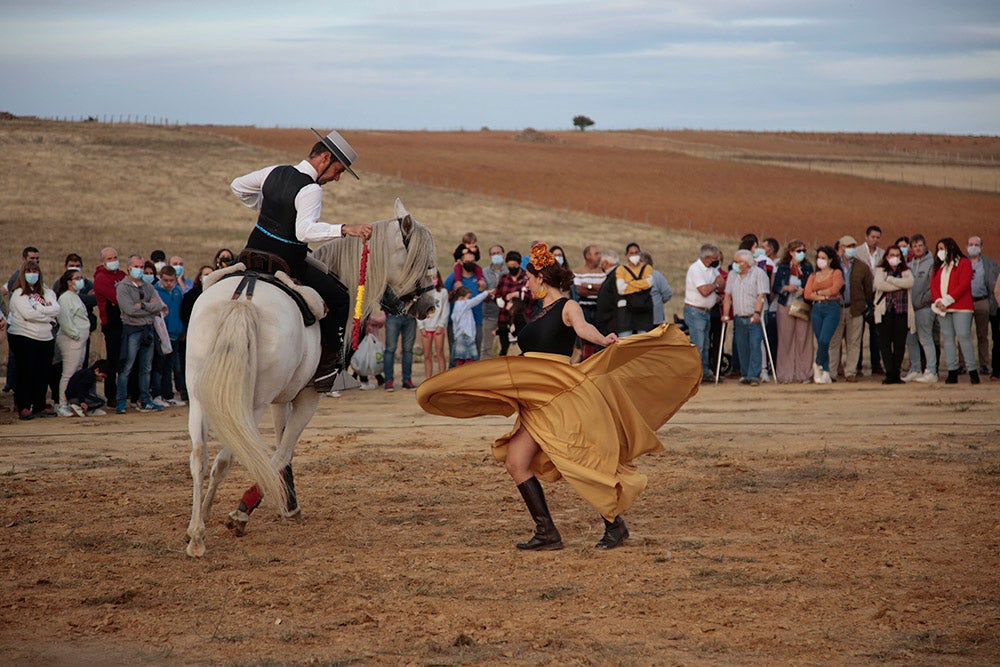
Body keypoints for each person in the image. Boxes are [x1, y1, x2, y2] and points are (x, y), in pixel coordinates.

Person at [417, 243, 702, 551]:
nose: (527, 283)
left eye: (529, 278)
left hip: (559, 396)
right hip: (534, 399)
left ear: (541, 278)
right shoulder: (539, 311)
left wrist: (603, 339)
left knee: (581, 459)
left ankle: (614, 525)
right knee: (516, 461)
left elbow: (584, 328)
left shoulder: (568, 306)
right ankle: (547, 533)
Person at [230, 128, 373, 392]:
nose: (337, 178)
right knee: (341, 298)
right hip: (286, 260)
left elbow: (237, 186)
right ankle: (326, 371)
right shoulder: (310, 189)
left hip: (251, 252)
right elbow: (304, 232)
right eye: (338, 170)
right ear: (325, 158)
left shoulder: (273, 171)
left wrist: (265, 207)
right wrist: (344, 229)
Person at [7, 260, 60, 419]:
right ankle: (23, 405)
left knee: (42, 373)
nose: (32, 274)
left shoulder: (46, 292)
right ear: (23, 274)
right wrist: (47, 317)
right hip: (24, 336)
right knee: (26, 372)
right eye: (29, 271)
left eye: (35, 271)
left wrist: (41, 310)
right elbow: (28, 314)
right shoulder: (18, 293)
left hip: (45, 337)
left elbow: (56, 309)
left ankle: (39, 405)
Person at [115, 254, 165, 413]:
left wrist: (141, 306)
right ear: (129, 267)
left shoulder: (148, 286)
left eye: (142, 267)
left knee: (146, 367)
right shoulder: (123, 287)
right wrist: (148, 308)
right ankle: (121, 401)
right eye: (136, 266)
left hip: (148, 330)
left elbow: (159, 306)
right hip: (132, 330)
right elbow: (128, 310)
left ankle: (145, 400)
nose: (139, 270)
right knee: (127, 367)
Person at [932, 237, 978, 384]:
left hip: (961, 307)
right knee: (947, 338)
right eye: (938, 249)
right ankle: (952, 371)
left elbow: (963, 285)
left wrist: (947, 300)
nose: (940, 252)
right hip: (943, 308)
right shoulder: (939, 266)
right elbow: (933, 285)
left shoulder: (964, 263)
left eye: (942, 249)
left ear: (951, 248)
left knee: (963, 336)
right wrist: (939, 301)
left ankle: (972, 370)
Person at [721, 250, 769, 386]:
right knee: (742, 346)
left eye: (737, 262)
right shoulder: (732, 275)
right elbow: (727, 296)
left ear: (746, 263)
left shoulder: (759, 274)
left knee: (754, 344)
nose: (734, 265)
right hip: (739, 316)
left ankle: (754, 375)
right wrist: (725, 314)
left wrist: (756, 313)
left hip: (754, 316)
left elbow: (761, 295)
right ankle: (745, 373)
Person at [829, 236, 873, 383]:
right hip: (836, 309)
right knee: (835, 342)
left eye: (853, 246)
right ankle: (832, 372)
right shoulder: (833, 265)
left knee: (854, 342)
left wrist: (862, 304)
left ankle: (851, 372)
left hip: (855, 309)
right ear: (841, 248)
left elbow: (868, 288)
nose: (851, 249)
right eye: (848, 246)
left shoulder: (862, 266)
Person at [772, 241, 814, 383]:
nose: (801, 253)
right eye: (798, 250)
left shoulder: (808, 268)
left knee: (804, 340)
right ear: (791, 252)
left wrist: (805, 291)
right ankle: (785, 375)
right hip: (786, 305)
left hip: (802, 305)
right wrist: (785, 288)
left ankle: (805, 374)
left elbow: (812, 284)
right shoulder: (782, 268)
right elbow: (776, 287)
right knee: (785, 340)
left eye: (803, 250)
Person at [873, 245, 914, 384]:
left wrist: (890, 280)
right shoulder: (880, 270)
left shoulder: (906, 270)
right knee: (885, 343)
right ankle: (889, 372)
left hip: (901, 312)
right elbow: (880, 285)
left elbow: (910, 283)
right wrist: (899, 285)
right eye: (891, 255)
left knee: (900, 344)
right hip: (885, 312)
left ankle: (896, 372)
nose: (894, 258)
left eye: (897, 255)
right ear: (886, 256)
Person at [804, 246, 845, 385]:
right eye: (819, 258)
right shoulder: (813, 275)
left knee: (824, 340)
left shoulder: (836, 273)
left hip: (832, 308)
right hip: (817, 309)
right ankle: (826, 371)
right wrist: (823, 296)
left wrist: (819, 293)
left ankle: (817, 364)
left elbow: (835, 289)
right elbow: (807, 294)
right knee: (820, 339)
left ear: (830, 259)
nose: (820, 260)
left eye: (823, 258)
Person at [684, 244, 724, 381]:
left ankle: (704, 372)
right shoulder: (696, 270)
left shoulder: (711, 269)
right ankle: (695, 374)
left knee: (706, 344)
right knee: (698, 345)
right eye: (714, 258)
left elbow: (722, 282)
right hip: (695, 311)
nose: (716, 260)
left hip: (706, 311)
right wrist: (716, 285)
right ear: (707, 258)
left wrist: (714, 285)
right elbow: (704, 291)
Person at [903, 234, 939, 383]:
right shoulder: (909, 265)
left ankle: (931, 370)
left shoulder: (932, 263)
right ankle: (915, 369)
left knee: (925, 339)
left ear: (925, 246)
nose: (918, 248)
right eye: (915, 246)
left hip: (924, 308)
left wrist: (922, 301)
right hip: (911, 310)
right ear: (911, 248)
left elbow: (933, 287)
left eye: (920, 245)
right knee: (911, 339)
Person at [55, 268, 90, 416]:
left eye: (81, 278)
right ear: (69, 282)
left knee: (77, 372)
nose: (80, 281)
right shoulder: (65, 297)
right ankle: (62, 404)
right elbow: (64, 320)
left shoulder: (76, 296)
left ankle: (73, 401)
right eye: (76, 278)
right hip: (71, 340)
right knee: (69, 372)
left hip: (81, 339)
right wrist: (75, 335)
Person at [94, 247, 126, 404]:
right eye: (109, 259)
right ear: (103, 261)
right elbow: (118, 297)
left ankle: (125, 392)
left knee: (125, 360)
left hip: (125, 322)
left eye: (115, 258)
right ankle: (111, 395)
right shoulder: (101, 278)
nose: (113, 261)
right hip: (111, 324)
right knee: (113, 361)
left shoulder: (121, 275)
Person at [444, 249, 486, 366]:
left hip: (476, 320)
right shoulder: (453, 278)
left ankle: (473, 379)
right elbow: (444, 296)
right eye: (467, 261)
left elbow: (486, 297)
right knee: (456, 352)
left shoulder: (480, 279)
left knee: (474, 352)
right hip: (456, 322)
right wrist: (454, 292)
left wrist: (483, 289)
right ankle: (452, 378)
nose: (470, 263)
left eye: (472, 261)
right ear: (461, 262)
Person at [152, 265, 186, 406]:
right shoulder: (155, 292)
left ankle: (168, 395)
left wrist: (182, 330)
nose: (169, 283)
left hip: (175, 334)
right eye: (166, 280)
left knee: (169, 367)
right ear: (160, 278)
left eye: (172, 280)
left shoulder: (178, 291)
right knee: (158, 367)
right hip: (162, 335)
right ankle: (157, 394)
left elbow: (180, 313)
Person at [966, 236, 998, 377]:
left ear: (981, 247)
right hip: (965, 302)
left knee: (982, 334)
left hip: (982, 301)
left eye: (976, 244)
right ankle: (963, 364)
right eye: (971, 244)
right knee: (963, 334)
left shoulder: (989, 264)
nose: (973, 246)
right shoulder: (962, 263)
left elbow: (994, 284)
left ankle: (984, 364)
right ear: (966, 246)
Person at [494, 251, 531, 356]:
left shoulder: (526, 278)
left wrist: (517, 295)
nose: (512, 269)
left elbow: (532, 296)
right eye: (509, 266)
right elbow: (497, 294)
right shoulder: (504, 278)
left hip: (522, 318)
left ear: (519, 264)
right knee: (503, 351)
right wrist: (499, 300)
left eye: (514, 266)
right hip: (504, 319)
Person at [573, 244, 605, 361]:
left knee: (599, 342)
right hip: (583, 312)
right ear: (587, 256)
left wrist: (588, 286)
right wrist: (597, 288)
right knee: (582, 342)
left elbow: (604, 291)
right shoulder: (577, 272)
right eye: (596, 253)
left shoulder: (603, 272)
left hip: (599, 312)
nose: (600, 256)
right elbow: (579, 291)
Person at [615, 243, 654, 337]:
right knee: (625, 341)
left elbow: (649, 283)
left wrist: (629, 283)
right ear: (627, 255)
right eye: (631, 253)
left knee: (643, 341)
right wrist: (641, 284)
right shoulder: (621, 269)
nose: (634, 255)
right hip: (627, 311)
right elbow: (621, 289)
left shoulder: (647, 268)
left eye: (636, 252)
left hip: (644, 310)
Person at [449, 285, 492, 366]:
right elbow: (476, 300)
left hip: (461, 335)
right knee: (468, 358)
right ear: (461, 297)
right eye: (468, 298)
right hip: (465, 335)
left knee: (462, 358)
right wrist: (486, 293)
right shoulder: (462, 304)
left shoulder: (459, 306)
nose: (468, 300)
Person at [419, 270, 449, 380]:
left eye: (434, 276)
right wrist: (421, 326)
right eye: (429, 277)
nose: (432, 278)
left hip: (438, 328)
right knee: (427, 355)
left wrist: (441, 325)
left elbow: (445, 310)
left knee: (439, 353)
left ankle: (442, 379)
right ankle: (428, 379)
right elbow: (418, 310)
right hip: (426, 328)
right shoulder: (422, 292)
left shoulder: (443, 292)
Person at [481, 244, 507, 358]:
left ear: (504, 255)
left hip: (505, 317)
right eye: (493, 254)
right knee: (486, 348)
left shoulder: (509, 272)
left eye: (498, 253)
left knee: (505, 348)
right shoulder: (483, 272)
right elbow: (481, 291)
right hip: (489, 315)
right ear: (490, 256)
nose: (496, 256)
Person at [383, 312, 417, 391]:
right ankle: (388, 381)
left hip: (410, 316)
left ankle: (407, 381)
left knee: (408, 350)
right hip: (393, 315)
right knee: (390, 349)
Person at [640, 251, 673, 326]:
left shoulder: (656, 276)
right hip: (638, 320)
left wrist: (658, 302)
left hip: (655, 319)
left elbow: (667, 293)